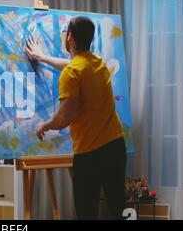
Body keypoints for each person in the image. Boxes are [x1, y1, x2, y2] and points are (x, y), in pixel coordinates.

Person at [25, 16, 126, 220]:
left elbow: (64, 117)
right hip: (115, 146)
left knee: (86, 212)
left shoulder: (72, 73)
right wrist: (42, 57)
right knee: (119, 208)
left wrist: (44, 125)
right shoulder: (97, 63)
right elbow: (72, 65)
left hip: (90, 154)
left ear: (70, 36)